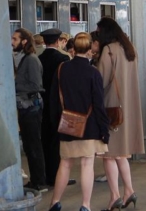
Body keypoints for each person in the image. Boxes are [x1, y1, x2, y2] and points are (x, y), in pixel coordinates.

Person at [47, 33, 110, 211]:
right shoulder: (93, 73)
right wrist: (104, 129)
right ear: (90, 50)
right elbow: (99, 104)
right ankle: (85, 205)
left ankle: (55, 202)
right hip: (89, 126)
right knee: (87, 164)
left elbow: (53, 100)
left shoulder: (61, 69)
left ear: (73, 48)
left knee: (65, 163)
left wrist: (56, 124)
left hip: (67, 125)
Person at [95, 18, 144, 210]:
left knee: (108, 154)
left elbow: (101, 80)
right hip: (128, 107)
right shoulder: (129, 49)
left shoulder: (108, 51)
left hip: (111, 108)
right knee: (121, 154)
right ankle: (129, 191)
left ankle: (115, 195)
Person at [3, 28, 48, 191]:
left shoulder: (31, 60)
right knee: (29, 145)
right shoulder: (23, 58)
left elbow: (36, 85)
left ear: (24, 41)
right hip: (27, 107)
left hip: (31, 107)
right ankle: (37, 180)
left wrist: (10, 87)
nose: (11, 42)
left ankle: (39, 181)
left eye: (15, 39)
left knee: (33, 144)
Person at [38, 28, 72, 188]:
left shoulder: (38, 59)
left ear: (44, 42)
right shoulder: (63, 58)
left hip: (42, 104)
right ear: (58, 41)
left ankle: (47, 174)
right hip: (59, 105)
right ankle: (59, 176)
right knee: (58, 142)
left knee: (45, 139)